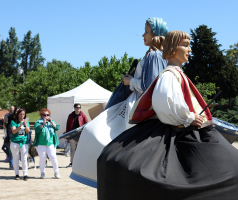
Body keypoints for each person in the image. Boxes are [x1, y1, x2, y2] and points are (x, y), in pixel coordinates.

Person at [97, 30, 238, 200]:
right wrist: (187, 117)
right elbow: (164, 101)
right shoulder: (169, 75)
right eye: (186, 45)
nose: (190, 50)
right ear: (173, 48)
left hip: (185, 124)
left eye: (189, 45)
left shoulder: (178, 74)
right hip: (177, 125)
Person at [71, 17, 169, 186]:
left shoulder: (153, 55)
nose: (143, 35)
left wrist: (129, 82)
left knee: (93, 130)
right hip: (140, 103)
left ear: (156, 34)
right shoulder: (158, 56)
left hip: (136, 105)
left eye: (146, 31)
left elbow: (150, 87)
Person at [33, 108, 60, 179]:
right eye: (44, 115)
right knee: (42, 158)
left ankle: (56, 172)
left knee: (53, 157)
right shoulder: (38, 122)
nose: (46, 116)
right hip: (41, 144)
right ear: (41, 115)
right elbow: (37, 130)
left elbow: (57, 128)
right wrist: (43, 123)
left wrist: (51, 122)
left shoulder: (52, 121)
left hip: (50, 143)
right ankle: (42, 172)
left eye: (47, 115)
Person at [65, 103, 88, 167]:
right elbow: (68, 125)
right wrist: (67, 135)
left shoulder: (83, 115)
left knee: (81, 149)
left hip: (80, 135)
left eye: (80, 107)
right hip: (72, 135)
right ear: (74, 108)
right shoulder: (70, 115)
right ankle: (72, 162)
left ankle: (81, 163)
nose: (79, 109)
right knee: (72, 150)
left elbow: (87, 124)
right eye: (77, 107)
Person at [10, 108, 30, 181]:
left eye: (23, 114)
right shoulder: (13, 122)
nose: (22, 116)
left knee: (24, 159)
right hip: (15, 142)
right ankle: (17, 174)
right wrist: (19, 126)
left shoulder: (26, 122)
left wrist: (25, 125)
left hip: (24, 142)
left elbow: (28, 132)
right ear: (17, 114)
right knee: (16, 159)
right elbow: (14, 132)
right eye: (21, 114)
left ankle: (25, 174)